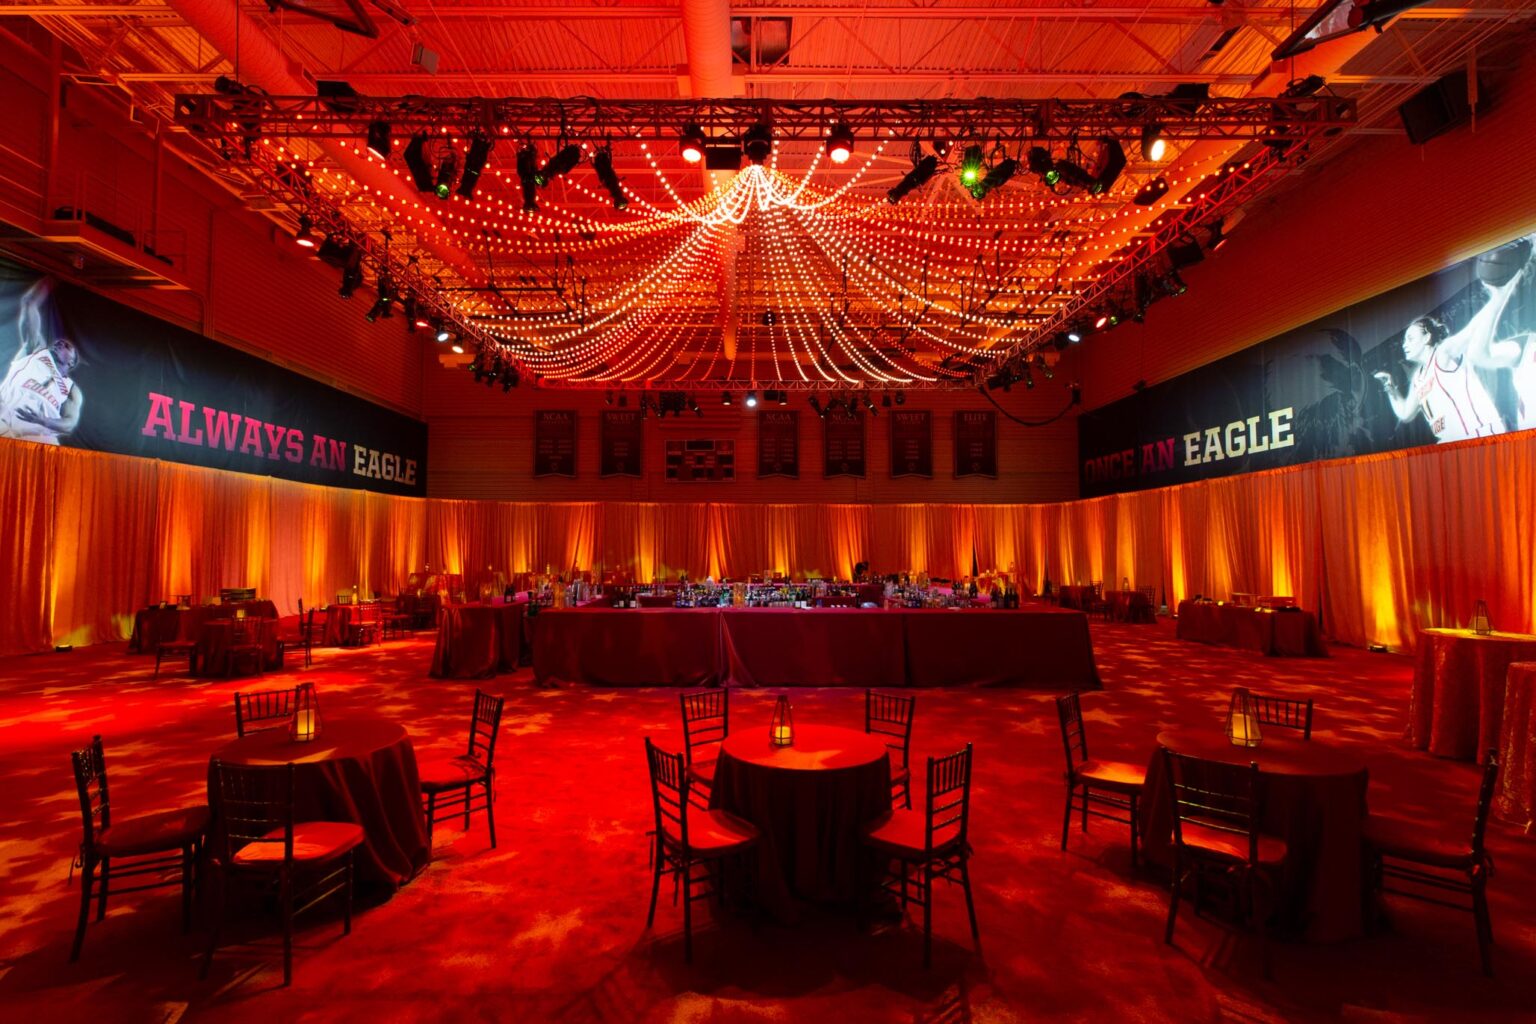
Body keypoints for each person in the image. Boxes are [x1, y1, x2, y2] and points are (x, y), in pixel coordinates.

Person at [1374, 265, 1525, 443]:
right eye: (1404, 341)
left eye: (1410, 338)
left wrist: (1498, 298)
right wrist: (1391, 389)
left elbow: (1470, 331)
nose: (1405, 345)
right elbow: (1406, 413)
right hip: (1450, 443)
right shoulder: (1418, 378)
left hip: (1478, 434)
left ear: (1427, 337)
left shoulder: (1443, 354)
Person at [1, 281, 83, 444]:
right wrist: (51, 277)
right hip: (4, 421)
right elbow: (29, 303)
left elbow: (69, 423)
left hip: (39, 434)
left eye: (66, 346)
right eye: (58, 342)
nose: (60, 343)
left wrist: (44, 420)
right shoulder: (36, 350)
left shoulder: (72, 389)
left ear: (72, 362)